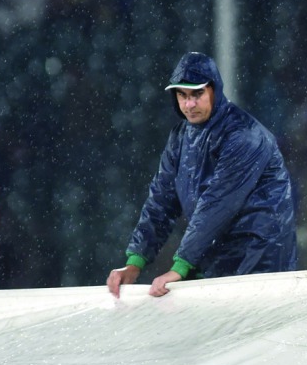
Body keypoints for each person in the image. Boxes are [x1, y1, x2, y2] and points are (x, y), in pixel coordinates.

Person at [107, 52, 297, 298]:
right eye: (182, 96)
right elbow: (161, 201)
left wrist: (181, 266)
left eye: (197, 94)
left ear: (214, 92)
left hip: (259, 263)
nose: (189, 104)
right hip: (215, 261)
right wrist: (135, 262)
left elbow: (218, 203)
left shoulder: (245, 136)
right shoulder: (180, 137)